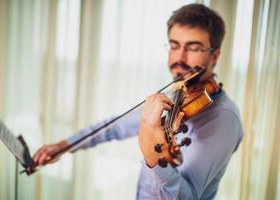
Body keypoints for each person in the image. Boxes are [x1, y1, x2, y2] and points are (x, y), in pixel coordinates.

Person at [32, 4, 243, 200]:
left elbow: (187, 196)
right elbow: (113, 127)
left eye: (194, 48)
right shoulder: (178, 94)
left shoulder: (224, 119)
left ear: (214, 55)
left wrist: (152, 154)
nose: (180, 57)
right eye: (174, 45)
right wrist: (62, 146)